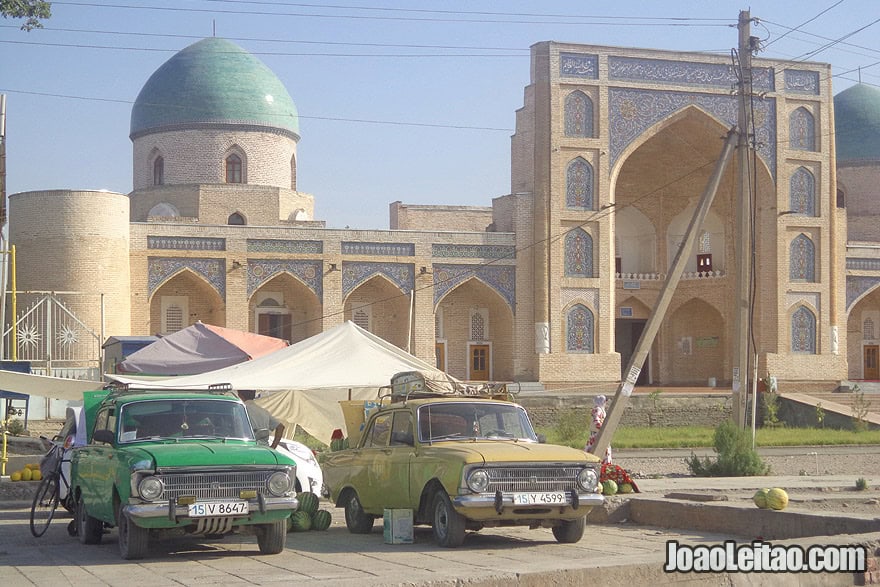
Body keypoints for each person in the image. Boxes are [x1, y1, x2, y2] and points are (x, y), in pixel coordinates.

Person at [584, 394, 612, 464]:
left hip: (597, 433)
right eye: (605, 401)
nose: (606, 403)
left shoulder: (600, 409)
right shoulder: (598, 409)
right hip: (598, 434)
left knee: (595, 449)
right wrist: (603, 430)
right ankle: (605, 465)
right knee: (603, 449)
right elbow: (596, 421)